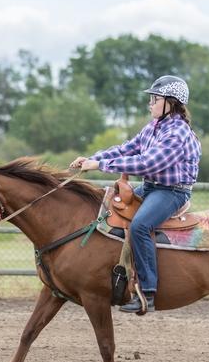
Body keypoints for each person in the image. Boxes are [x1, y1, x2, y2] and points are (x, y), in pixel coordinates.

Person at [70, 75, 201, 313]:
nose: (150, 103)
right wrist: (93, 159)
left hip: (172, 192)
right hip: (152, 187)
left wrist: (99, 167)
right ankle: (117, 276)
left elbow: (148, 164)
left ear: (171, 102)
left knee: (140, 225)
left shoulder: (177, 133)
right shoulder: (153, 127)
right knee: (110, 206)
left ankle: (148, 293)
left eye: (155, 98)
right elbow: (126, 149)